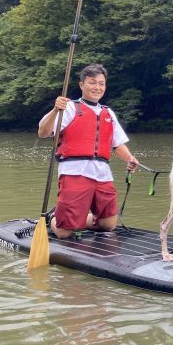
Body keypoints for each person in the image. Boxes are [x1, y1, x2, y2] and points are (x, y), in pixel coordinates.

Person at [37, 63, 139, 239]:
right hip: (75, 172)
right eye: (92, 82)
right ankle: (56, 218)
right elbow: (43, 132)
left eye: (101, 83)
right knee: (63, 232)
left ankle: (76, 218)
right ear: (82, 85)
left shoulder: (108, 112)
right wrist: (55, 109)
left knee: (109, 225)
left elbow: (118, 144)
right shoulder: (69, 107)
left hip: (103, 174)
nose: (97, 87)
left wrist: (129, 158)